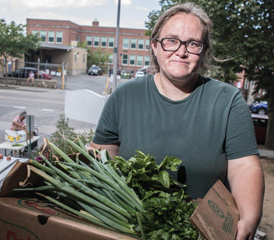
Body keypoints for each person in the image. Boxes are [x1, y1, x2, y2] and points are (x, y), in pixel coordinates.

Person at [90, 2, 264, 239]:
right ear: (155, 45)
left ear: (203, 50)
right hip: (130, 227)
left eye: (193, 43)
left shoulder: (228, 100)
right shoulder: (124, 96)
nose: (181, 51)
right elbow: (102, 157)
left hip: (204, 232)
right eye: (171, 40)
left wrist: (249, 218)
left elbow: (244, 166)